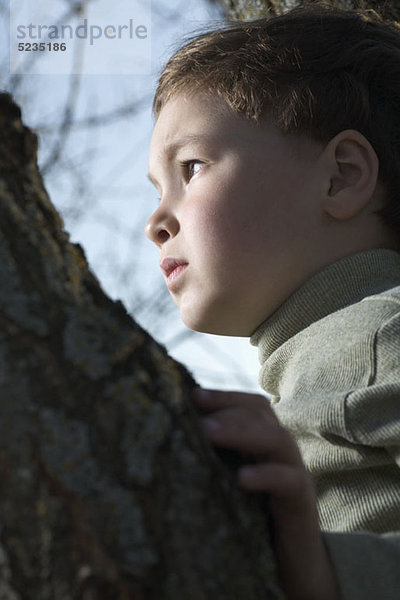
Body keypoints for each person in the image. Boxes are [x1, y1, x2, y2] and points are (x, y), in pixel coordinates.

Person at [144, 3, 400, 598]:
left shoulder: (379, 333)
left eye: (192, 167)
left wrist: (327, 571)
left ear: (340, 177)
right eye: (157, 189)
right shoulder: (329, 350)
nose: (157, 220)